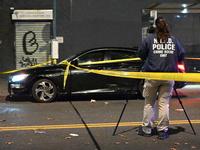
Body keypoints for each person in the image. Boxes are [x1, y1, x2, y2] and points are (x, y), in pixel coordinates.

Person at [137, 17, 185, 139]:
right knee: (164, 104)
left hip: (152, 75)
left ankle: (146, 129)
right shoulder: (174, 41)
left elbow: (141, 54)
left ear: (155, 27)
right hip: (168, 76)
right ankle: (162, 130)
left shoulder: (149, 39)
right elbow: (181, 55)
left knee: (149, 103)